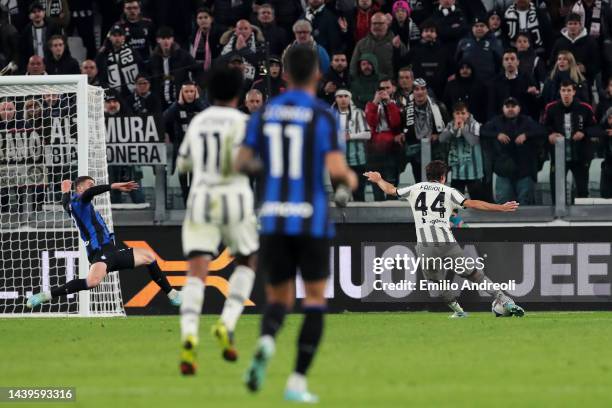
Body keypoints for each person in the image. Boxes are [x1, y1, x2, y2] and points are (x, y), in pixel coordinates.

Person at [237, 45, 357, 403]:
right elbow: (338, 172)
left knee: (278, 299)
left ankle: (266, 340)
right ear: (319, 76)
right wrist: (348, 182)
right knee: (315, 300)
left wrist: (269, 169)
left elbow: (242, 162)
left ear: (284, 74)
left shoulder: (265, 113)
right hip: (311, 219)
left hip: (273, 217)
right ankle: (297, 382)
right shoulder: (323, 116)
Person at [364, 160, 524, 318]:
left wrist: (379, 179)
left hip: (426, 245)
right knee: (474, 274)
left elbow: (391, 190)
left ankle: (459, 311)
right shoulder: (449, 191)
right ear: (443, 177)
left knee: (436, 282)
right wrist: (500, 207)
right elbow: (473, 203)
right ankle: (504, 300)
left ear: (428, 176)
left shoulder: (415, 188)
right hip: (447, 244)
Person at [177, 66, 259, 374]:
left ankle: (188, 335)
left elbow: (183, 164)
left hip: (200, 200)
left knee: (197, 270)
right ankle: (226, 323)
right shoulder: (245, 122)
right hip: (235, 199)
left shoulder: (198, 122)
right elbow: (252, 162)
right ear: (238, 94)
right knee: (247, 260)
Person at [26, 176, 181, 309]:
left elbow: (65, 202)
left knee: (148, 256)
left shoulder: (71, 204)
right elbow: (89, 193)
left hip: (112, 252)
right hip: (100, 251)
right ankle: (46, 296)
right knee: (93, 282)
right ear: (80, 188)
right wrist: (113, 186)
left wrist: (65, 191)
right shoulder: (81, 202)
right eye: (90, 184)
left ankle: (172, 294)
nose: (92, 188)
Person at [481, 97, 546, 204]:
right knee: (503, 204)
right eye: (507, 106)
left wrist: (526, 135)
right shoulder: (496, 121)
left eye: (513, 106)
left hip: (525, 171)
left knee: (525, 204)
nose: (510, 109)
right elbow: (482, 131)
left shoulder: (527, 121)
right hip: (503, 171)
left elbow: (542, 131)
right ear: (503, 108)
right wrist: (497, 135)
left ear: (519, 108)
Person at [544, 80, 597, 201]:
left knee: (582, 190)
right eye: (563, 90)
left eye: (568, 90)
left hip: (580, 155)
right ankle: (557, 217)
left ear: (574, 92)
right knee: (557, 191)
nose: (566, 93)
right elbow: (543, 127)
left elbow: (595, 128)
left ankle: (582, 216)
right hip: (558, 156)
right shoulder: (551, 108)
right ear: (560, 92)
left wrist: (583, 133)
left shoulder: (585, 108)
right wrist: (550, 135)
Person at [163, 82, 208, 205]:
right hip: (182, 149)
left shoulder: (201, 106)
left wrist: (198, 101)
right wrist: (178, 103)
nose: (189, 94)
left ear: (196, 93)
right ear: (181, 93)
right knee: (183, 179)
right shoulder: (177, 107)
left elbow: (208, 115)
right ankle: (186, 205)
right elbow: (164, 118)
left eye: (192, 91)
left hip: (199, 150)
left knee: (196, 179)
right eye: (186, 92)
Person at [439, 101, 487, 199]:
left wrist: (463, 129)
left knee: (477, 203)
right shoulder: (450, 125)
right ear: (453, 114)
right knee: (455, 204)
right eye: (457, 113)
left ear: (468, 114)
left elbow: (473, 141)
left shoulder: (474, 124)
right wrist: (454, 129)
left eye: (463, 113)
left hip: (473, 172)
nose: (460, 116)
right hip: (456, 172)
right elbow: (441, 139)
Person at [365, 77, 402, 200]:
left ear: (393, 88)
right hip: (375, 148)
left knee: (391, 180)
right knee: (376, 182)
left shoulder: (398, 103)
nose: (384, 91)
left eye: (387, 88)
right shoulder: (372, 104)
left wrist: (389, 103)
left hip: (392, 148)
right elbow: (370, 123)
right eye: (381, 89)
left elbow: (396, 123)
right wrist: (375, 103)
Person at [332, 88, 371, 201]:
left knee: (359, 195)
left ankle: (360, 219)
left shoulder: (358, 113)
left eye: (346, 96)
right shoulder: (331, 114)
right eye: (340, 96)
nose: (343, 99)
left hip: (357, 161)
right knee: (339, 196)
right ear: (335, 99)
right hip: (337, 162)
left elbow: (368, 134)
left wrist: (350, 136)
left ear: (350, 98)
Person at [150, 26, 199, 111]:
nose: (166, 41)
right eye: (163, 38)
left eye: (168, 38)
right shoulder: (153, 58)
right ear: (158, 40)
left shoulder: (183, 55)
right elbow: (149, 77)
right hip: (160, 102)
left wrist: (195, 86)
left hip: (181, 100)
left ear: (172, 39)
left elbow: (197, 69)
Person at [350, 12, 408, 79]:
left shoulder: (397, 43)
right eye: (374, 23)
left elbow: (405, 66)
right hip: (367, 83)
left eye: (381, 23)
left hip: (390, 84)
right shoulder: (361, 44)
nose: (377, 26)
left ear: (387, 25)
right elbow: (353, 67)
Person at [550, 13, 601, 83]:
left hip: (584, 80)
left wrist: (586, 68)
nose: (572, 26)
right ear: (566, 26)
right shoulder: (559, 42)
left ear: (580, 25)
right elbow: (552, 63)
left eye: (575, 24)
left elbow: (597, 64)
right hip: (563, 83)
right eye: (570, 24)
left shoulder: (590, 42)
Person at [96, 24, 143, 99]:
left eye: (120, 35)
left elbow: (142, 70)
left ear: (124, 37)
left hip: (133, 93)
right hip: (112, 95)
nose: (117, 38)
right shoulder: (103, 54)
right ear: (110, 37)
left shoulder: (132, 52)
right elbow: (100, 74)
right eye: (114, 36)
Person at [409, 19, 453, 100]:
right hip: (420, 90)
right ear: (422, 33)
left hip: (441, 90)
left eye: (432, 31)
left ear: (436, 34)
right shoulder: (415, 49)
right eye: (426, 31)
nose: (428, 33)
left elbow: (452, 68)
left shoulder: (444, 50)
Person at [455, 16, 503, 83]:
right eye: (476, 26)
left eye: (482, 26)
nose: (479, 28)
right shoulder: (463, 42)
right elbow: (457, 62)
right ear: (472, 28)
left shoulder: (495, 42)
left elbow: (500, 63)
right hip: (468, 82)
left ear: (487, 28)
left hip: (488, 82)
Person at [190, 7, 225, 73]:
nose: (203, 20)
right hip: (200, 67)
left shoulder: (220, 31)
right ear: (196, 20)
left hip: (217, 66)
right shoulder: (194, 33)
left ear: (211, 19)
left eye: (206, 17)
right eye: (200, 18)